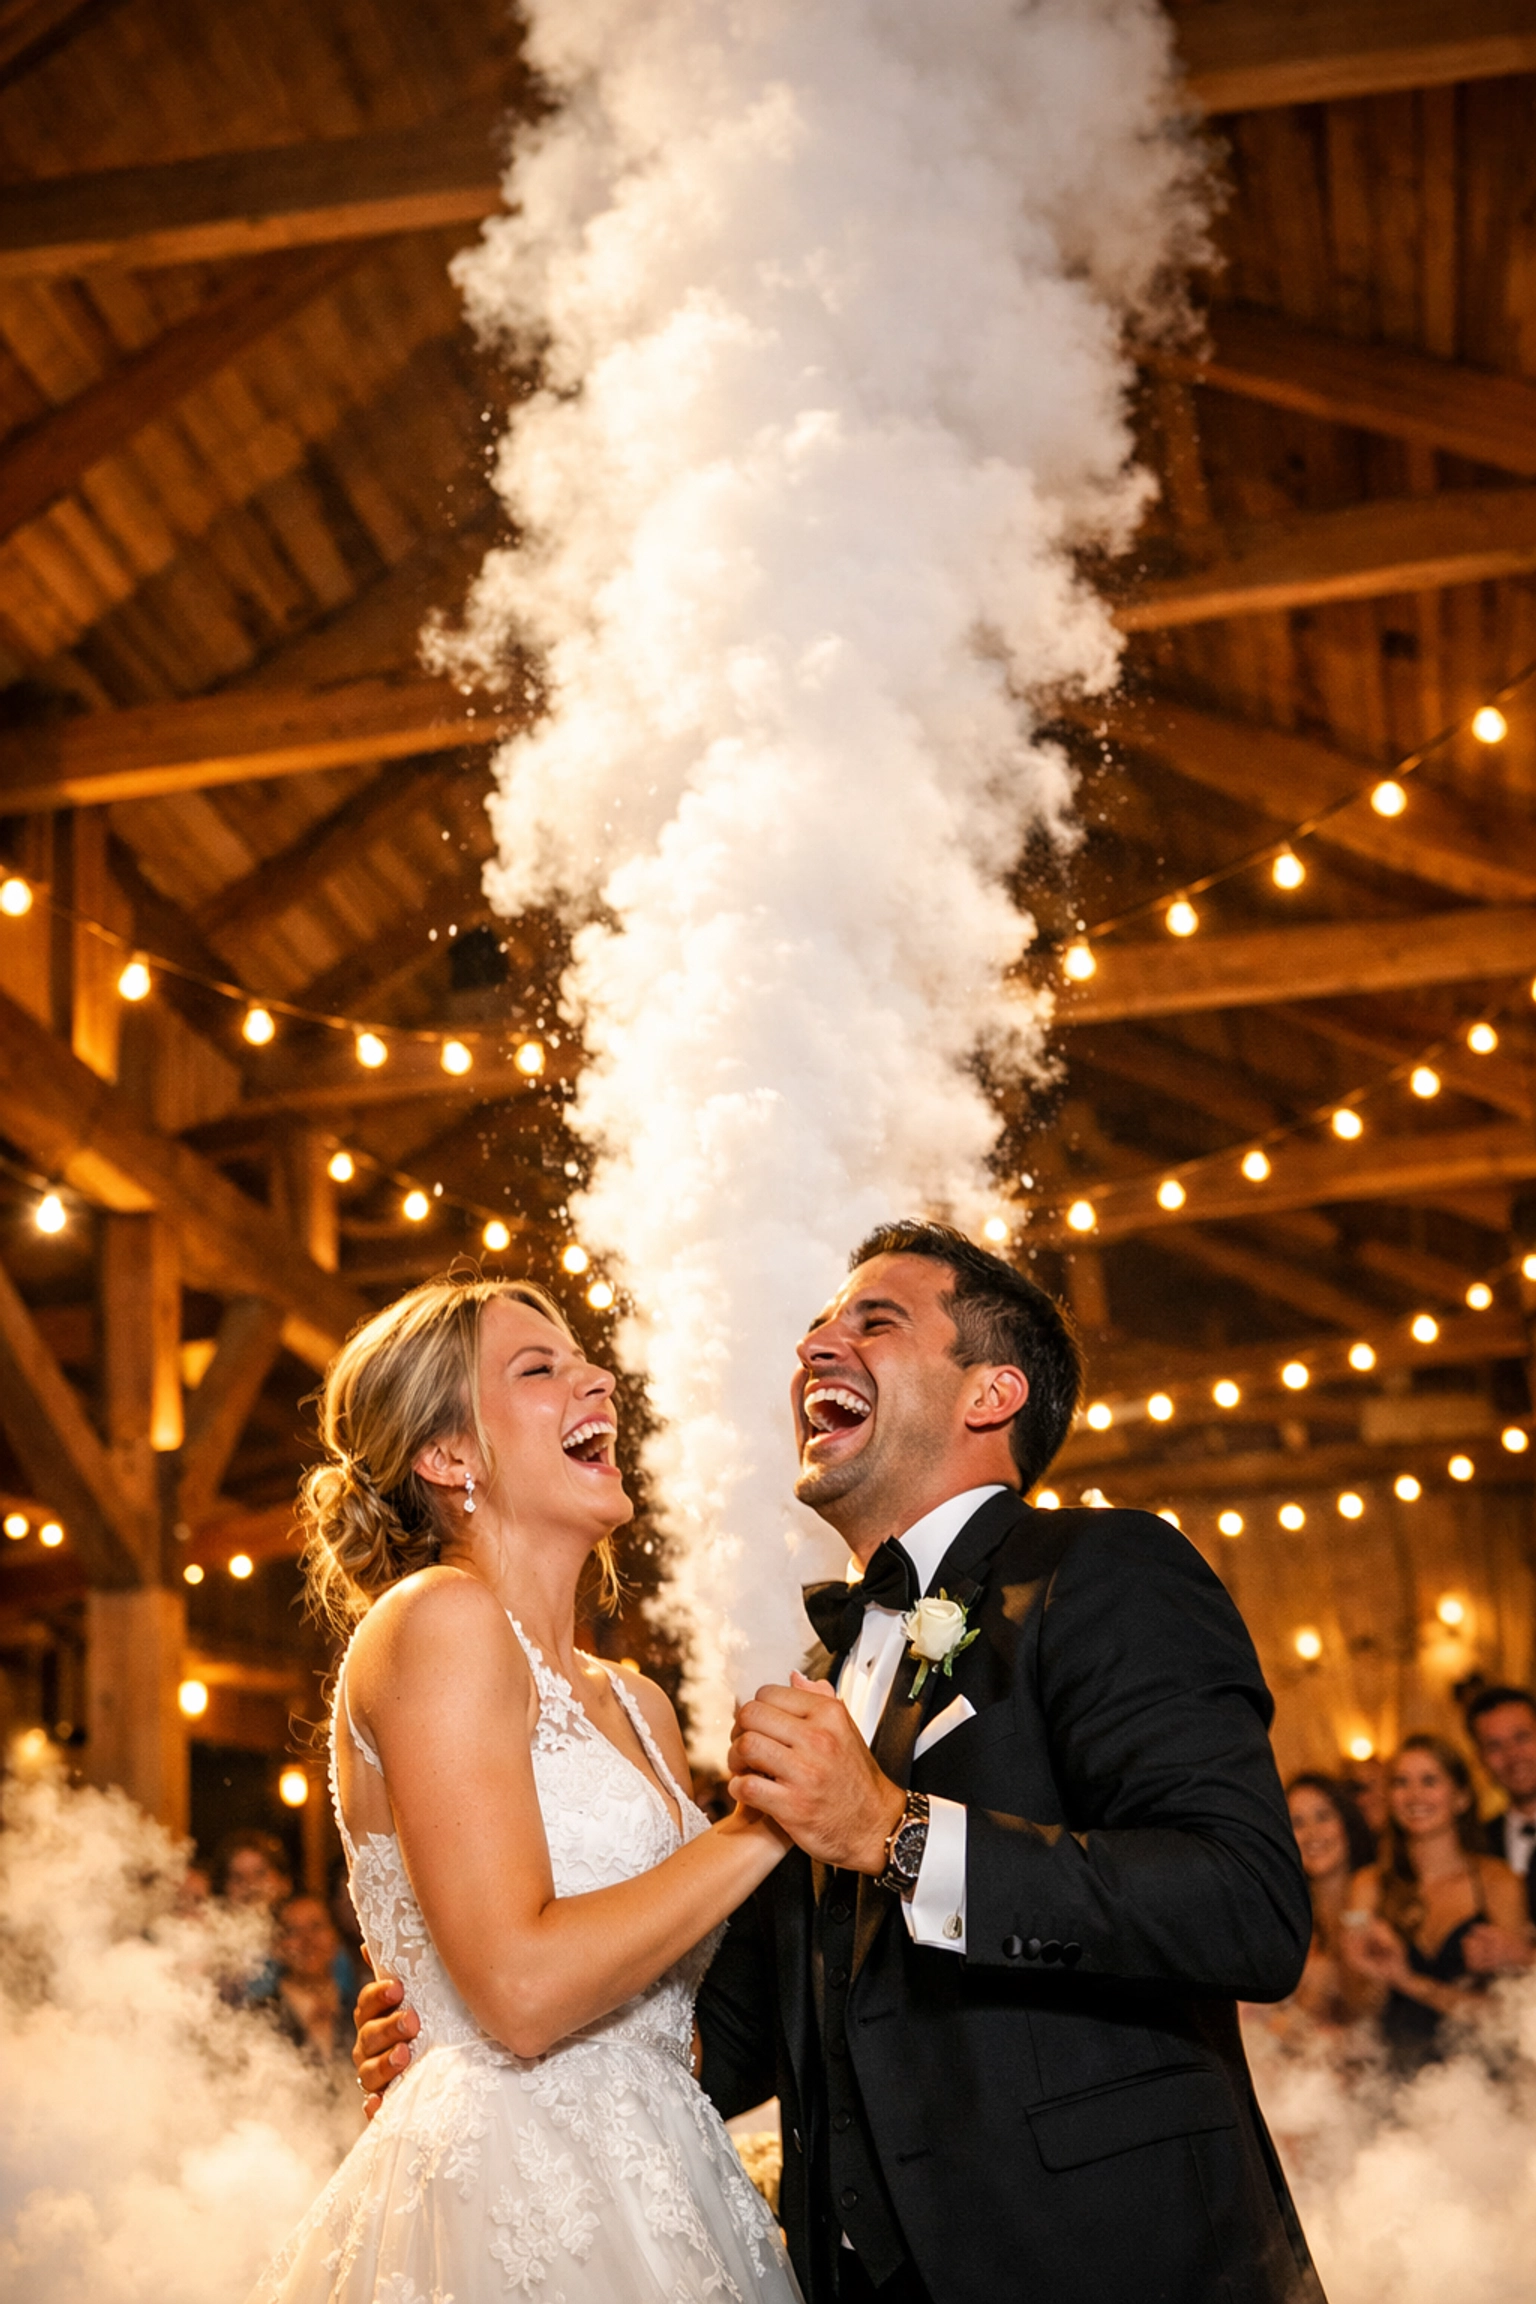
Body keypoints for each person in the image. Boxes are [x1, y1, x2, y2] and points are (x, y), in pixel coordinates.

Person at [356, 1221, 1321, 2304]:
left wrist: (898, 1835)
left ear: (990, 1395)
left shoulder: (1103, 1575)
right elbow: (741, 2026)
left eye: (876, 1321)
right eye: (818, 1326)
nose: (818, 1346)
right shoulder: (825, 1675)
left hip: (1108, 2264)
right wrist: (469, 2056)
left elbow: (1246, 1906)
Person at [251, 1275, 798, 2304]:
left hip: (668, 2175)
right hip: (505, 2191)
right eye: (539, 1369)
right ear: (449, 1457)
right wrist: (770, 1821)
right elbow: (521, 1993)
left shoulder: (642, 1705)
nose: (595, 1377)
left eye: (583, 1358)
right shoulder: (437, 1621)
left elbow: (667, 2014)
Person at [1339, 1733, 1530, 2072]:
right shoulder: (1368, 1885)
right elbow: (1358, 2009)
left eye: (1429, 1781)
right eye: (1401, 1782)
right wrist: (1364, 1969)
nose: (1414, 1795)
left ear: (1461, 1797)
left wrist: (1408, 1980)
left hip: (1481, 2077)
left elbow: (1511, 2013)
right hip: (1394, 2073)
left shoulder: (1498, 1882)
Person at [1268, 1776, 1376, 2034]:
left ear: (1346, 1823)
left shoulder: (1379, 1893)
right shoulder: (1286, 1916)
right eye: (1297, 1823)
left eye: (1323, 1816)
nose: (1312, 1834)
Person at [1465, 1683, 1536, 1951]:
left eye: (1522, 1738)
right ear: (1480, 1759)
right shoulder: (1475, 1844)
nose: (1512, 1756)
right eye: (1494, 1746)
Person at [254, 1894, 355, 2071]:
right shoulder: (258, 2017)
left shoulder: (360, 2009)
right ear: (276, 1947)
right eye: (292, 1931)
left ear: (335, 1936)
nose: (307, 1940)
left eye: (317, 1927)